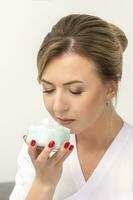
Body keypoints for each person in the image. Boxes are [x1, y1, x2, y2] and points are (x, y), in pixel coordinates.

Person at [10, 14, 133, 200]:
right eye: (48, 89)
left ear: (110, 88)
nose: (58, 107)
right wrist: (44, 184)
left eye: (75, 91)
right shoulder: (40, 150)